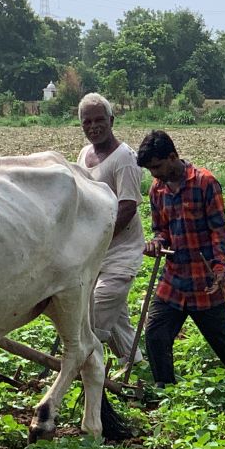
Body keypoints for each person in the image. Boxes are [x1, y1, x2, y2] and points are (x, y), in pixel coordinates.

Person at [136, 130, 225, 386]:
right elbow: (161, 230)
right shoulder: (157, 190)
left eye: (157, 166)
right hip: (174, 280)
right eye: (150, 169)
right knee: (155, 334)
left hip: (205, 280)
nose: (154, 174)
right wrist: (157, 244)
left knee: (223, 343)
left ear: (172, 156)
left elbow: (219, 231)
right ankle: (165, 390)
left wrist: (219, 268)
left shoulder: (205, 183)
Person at [77, 93, 145, 365]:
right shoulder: (84, 155)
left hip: (120, 253)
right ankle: (136, 364)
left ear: (112, 120)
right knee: (117, 321)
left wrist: (98, 238)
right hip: (94, 253)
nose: (93, 126)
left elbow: (127, 207)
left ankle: (80, 368)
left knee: (92, 315)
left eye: (99, 120)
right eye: (87, 122)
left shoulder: (124, 158)